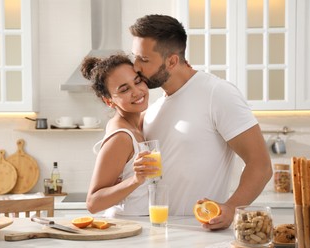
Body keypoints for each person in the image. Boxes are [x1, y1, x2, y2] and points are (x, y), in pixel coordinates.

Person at [130, 14, 272, 230]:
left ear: (172, 61)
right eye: (135, 57)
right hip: (159, 230)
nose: (135, 66)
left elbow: (260, 165)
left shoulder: (217, 93)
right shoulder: (154, 108)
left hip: (201, 231)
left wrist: (232, 208)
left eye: (144, 59)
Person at [81, 54, 157, 217]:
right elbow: (93, 203)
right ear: (109, 101)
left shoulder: (137, 124)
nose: (137, 92)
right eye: (124, 89)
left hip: (141, 227)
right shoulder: (121, 137)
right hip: (127, 229)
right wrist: (135, 180)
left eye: (137, 81)